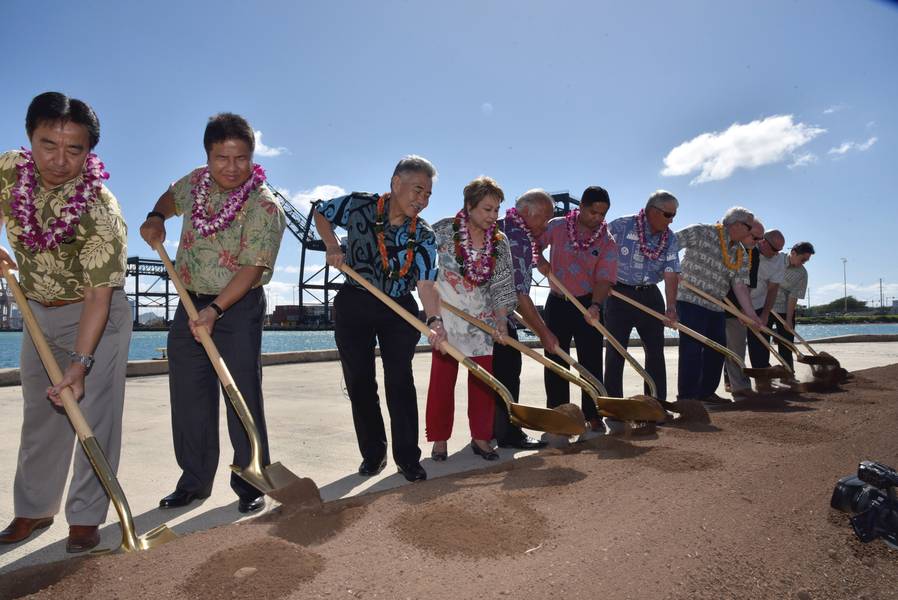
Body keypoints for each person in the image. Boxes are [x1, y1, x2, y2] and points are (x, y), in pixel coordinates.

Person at [0, 92, 130, 552]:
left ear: (89, 151)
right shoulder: (9, 170)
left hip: (96, 315)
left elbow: (99, 296)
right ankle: (34, 510)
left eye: (74, 149)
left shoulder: (101, 211)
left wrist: (79, 364)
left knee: (93, 414)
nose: (59, 159)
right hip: (36, 307)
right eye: (47, 143)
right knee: (41, 413)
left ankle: (86, 516)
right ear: (29, 138)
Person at [140, 113, 286, 514]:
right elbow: (170, 198)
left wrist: (216, 309)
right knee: (188, 395)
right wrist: (156, 218)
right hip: (189, 301)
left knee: (241, 393)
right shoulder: (194, 183)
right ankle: (194, 481)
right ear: (208, 156)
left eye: (241, 158)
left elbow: (251, 268)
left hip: (235, 307)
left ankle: (251, 478)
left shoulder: (265, 206)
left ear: (252, 157)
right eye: (222, 157)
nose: (232, 167)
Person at [314, 155, 445, 482]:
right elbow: (320, 211)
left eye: (428, 195)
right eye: (417, 190)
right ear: (395, 183)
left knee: (400, 381)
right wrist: (331, 244)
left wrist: (434, 321)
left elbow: (427, 283)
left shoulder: (425, 235)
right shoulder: (359, 206)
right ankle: (373, 454)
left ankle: (407, 458)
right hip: (354, 301)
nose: (422, 200)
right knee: (360, 382)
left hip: (399, 307)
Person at [425, 177, 516, 461]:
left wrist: (501, 321)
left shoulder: (499, 243)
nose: (493, 216)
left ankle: (480, 438)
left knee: (482, 384)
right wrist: (433, 316)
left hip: (482, 321)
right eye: (487, 209)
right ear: (469, 206)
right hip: (447, 317)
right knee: (442, 382)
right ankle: (439, 441)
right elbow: (425, 273)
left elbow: (502, 285)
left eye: (497, 210)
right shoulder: (440, 231)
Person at [538, 186, 617, 429]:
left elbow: (605, 278)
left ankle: (593, 414)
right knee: (555, 358)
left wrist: (595, 305)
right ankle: (560, 414)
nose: (597, 218)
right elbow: (531, 245)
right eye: (593, 212)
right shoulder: (557, 226)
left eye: (602, 214)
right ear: (580, 207)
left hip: (587, 304)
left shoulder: (606, 240)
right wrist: (540, 261)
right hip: (558, 301)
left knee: (591, 361)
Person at [675, 207, 763, 404]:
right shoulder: (701, 231)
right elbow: (671, 243)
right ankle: (687, 399)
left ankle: (705, 394)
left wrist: (751, 316)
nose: (751, 235)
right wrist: (673, 269)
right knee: (692, 349)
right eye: (750, 229)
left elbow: (739, 285)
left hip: (715, 306)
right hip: (690, 300)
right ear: (738, 225)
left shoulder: (741, 254)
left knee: (718, 349)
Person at [491, 189, 556, 449]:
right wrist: (544, 332)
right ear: (527, 213)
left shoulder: (502, 225)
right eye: (545, 218)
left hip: (485, 312)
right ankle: (508, 434)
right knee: (507, 371)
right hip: (496, 317)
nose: (547, 224)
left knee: (490, 375)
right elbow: (520, 293)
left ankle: (488, 431)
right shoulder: (517, 238)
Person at [605, 190, 680, 406]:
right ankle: (614, 405)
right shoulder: (621, 226)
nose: (672, 219)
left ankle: (655, 403)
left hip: (650, 295)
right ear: (652, 211)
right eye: (668, 214)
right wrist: (602, 284)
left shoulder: (670, 237)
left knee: (655, 352)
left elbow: (671, 272)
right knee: (616, 351)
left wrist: (671, 307)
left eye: (674, 215)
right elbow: (598, 253)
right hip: (619, 293)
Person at [723, 219, 765, 399]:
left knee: (737, 348)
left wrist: (744, 309)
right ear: (744, 231)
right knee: (709, 350)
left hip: (736, 308)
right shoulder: (723, 245)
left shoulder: (753, 253)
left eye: (760, 239)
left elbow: (748, 284)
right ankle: (703, 393)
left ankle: (740, 387)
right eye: (755, 238)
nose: (758, 243)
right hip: (712, 302)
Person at [744, 229, 786, 383]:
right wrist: (743, 308)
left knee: (761, 341)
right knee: (736, 342)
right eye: (775, 249)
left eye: (780, 250)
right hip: (739, 302)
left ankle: (762, 376)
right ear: (763, 241)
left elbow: (773, 288)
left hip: (760, 303)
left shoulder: (779, 260)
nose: (776, 253)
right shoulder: (747, 251)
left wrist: (765, 314)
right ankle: (732, 379)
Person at [771, 241, 815, 372]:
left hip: (784, 308)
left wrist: (789, 320)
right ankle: (764, 370)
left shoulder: (802, 274)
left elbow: (793, 296)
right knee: (760, 341)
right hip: (763, 304)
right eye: (803, 259)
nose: (804, 263)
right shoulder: (775, 259)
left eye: (806, 261)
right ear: (793, 253)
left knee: (787, 343)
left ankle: (788, 371)